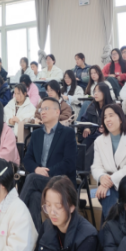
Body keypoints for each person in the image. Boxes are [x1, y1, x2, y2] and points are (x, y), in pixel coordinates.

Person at [20, 97, 78, 231]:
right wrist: (36, 169)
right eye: (41, 109)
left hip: (61, 182)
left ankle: (15, 213)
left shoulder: (68, 133)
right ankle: (36, 237)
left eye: (46, 108)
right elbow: (27, 159)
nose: (43, 112)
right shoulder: (36, 134)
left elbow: (69, 163)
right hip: (41, 182)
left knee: (32, 178)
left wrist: (47, 172)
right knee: (35, 196)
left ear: (57, 112)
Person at [91, 104, 126, 221]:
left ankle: (108, 230)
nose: (107, 119)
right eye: (105, 117)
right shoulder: (99, 141)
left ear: (121, 119)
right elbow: (96, 166)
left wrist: (108, 182)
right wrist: (101, 177)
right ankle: (114, 229)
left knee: (109, 198)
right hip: (107, 185)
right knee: (109, 196)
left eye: (111, 115)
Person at [32, 176, 99, 251]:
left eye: (58, 206)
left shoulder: (87, 237)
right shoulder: (47, 226)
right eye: (48, 205)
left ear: (72, 207)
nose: (52, 213)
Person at [79, 83, 114, 150]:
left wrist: (106, 128)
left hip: (107, 136)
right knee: (83, 148)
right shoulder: (92, 106)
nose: (95, 93)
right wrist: (86, 127)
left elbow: (117, 124)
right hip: (92, 135)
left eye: (99, 91)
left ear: (105, 92)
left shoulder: (112, 107)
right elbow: (84, 119)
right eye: (95, 91)